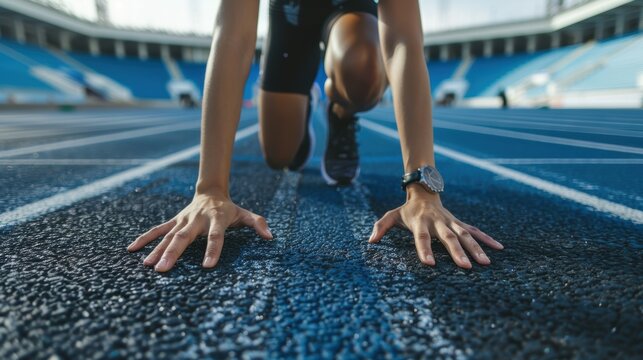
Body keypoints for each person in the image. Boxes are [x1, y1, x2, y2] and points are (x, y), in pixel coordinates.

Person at [127, 0, 504, 272]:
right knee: (280, 156)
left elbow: (403, 40)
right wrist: (210, 189)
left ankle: (341, 110)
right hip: (290, 16)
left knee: (363, 68)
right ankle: (304, 102)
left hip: (351, 13)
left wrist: (422, 189)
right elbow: (233, 38)